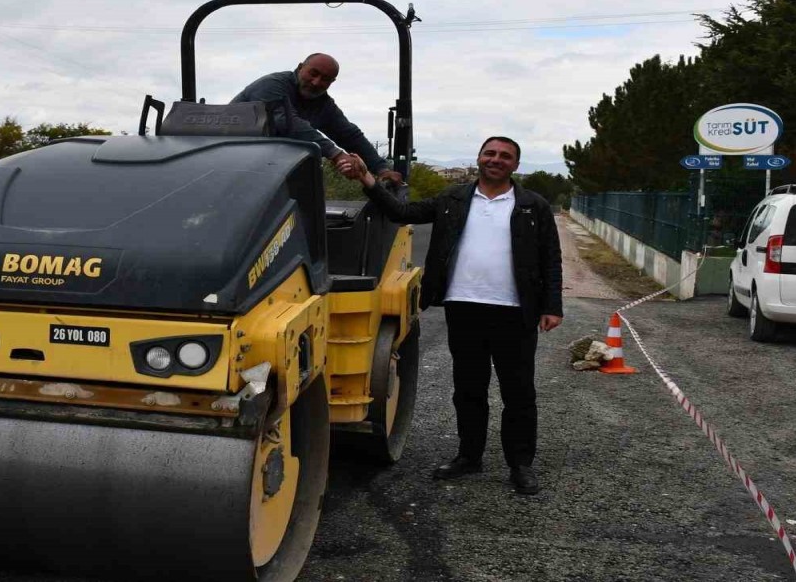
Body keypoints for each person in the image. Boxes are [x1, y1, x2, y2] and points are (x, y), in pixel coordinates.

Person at [341, 137, 563, 494]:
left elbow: (551, 258)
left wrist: (552, 306)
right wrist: (368, 179)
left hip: (515, 312)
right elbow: (403, 213)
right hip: (464, 307)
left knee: (519, 393)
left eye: (505, 156)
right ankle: (469, 456)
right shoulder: (453, 199)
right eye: (490, 153)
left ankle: (520, 464)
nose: (496, 160)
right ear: (479, 158)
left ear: (515, 166)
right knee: (468, 389)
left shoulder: (532, 206)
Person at [233, 53, 405, 185]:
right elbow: (286, 122)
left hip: (272, 170)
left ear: (332, 82)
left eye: (325, 79)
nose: (316, 82)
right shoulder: (272, 85)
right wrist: (337, 154)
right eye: (313, 74)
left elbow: (349, 135)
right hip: (232, 164)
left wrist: (381, 169)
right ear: (300, 67)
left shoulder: (323, 104)